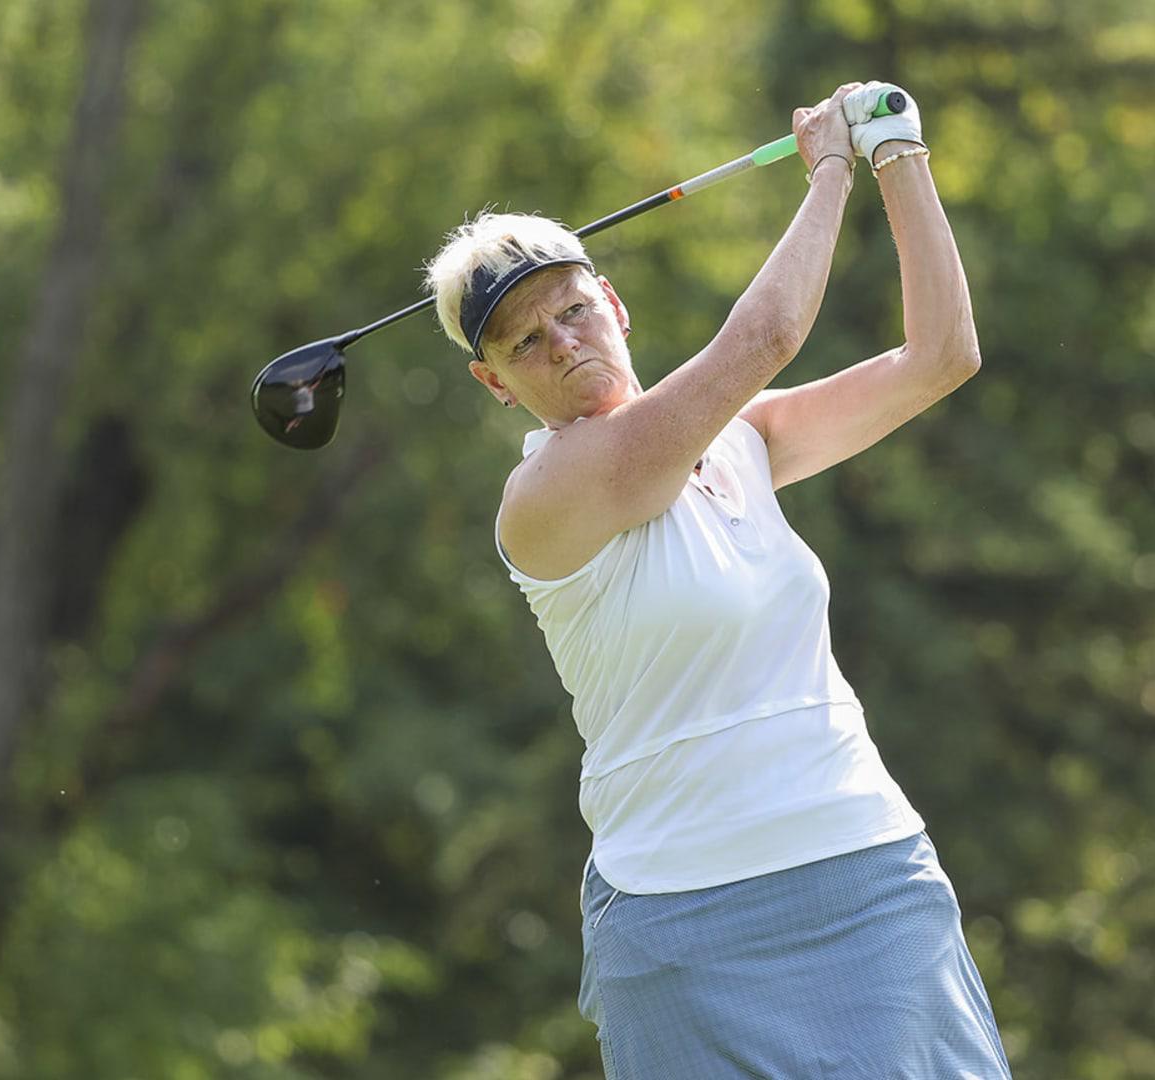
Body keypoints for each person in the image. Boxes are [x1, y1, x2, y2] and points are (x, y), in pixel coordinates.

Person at [424, 81, 1010, 1078]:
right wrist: (828, 167)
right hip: (682, 921)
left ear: (612, 302)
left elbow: (941, 355)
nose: (564, 342)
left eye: (572, 309)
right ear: (495, 381)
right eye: (526, 339)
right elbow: (763, 341)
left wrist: (896, 149)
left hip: (867, 875)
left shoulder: (745, 440)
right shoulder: (547, 496)